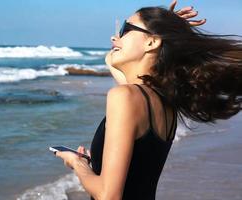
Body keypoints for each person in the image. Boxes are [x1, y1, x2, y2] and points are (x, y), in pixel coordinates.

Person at [55, 1, 242, 199]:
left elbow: (108, 195)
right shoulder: (165, 102)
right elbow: (110, 59)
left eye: (125, 30)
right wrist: (168, 27)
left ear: (152, 42)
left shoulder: (126, 97)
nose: (114, 37)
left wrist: (78, 164)